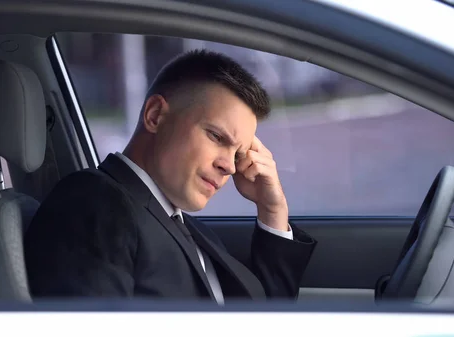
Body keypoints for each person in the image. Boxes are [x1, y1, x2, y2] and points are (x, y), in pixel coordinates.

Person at [24, 49, 317, 303]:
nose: (230, 166)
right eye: (216, 136)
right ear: (155, 116)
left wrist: (272, 210)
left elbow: (266, 318)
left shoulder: (186, 226)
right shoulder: (93, 202)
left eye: (239, 154)